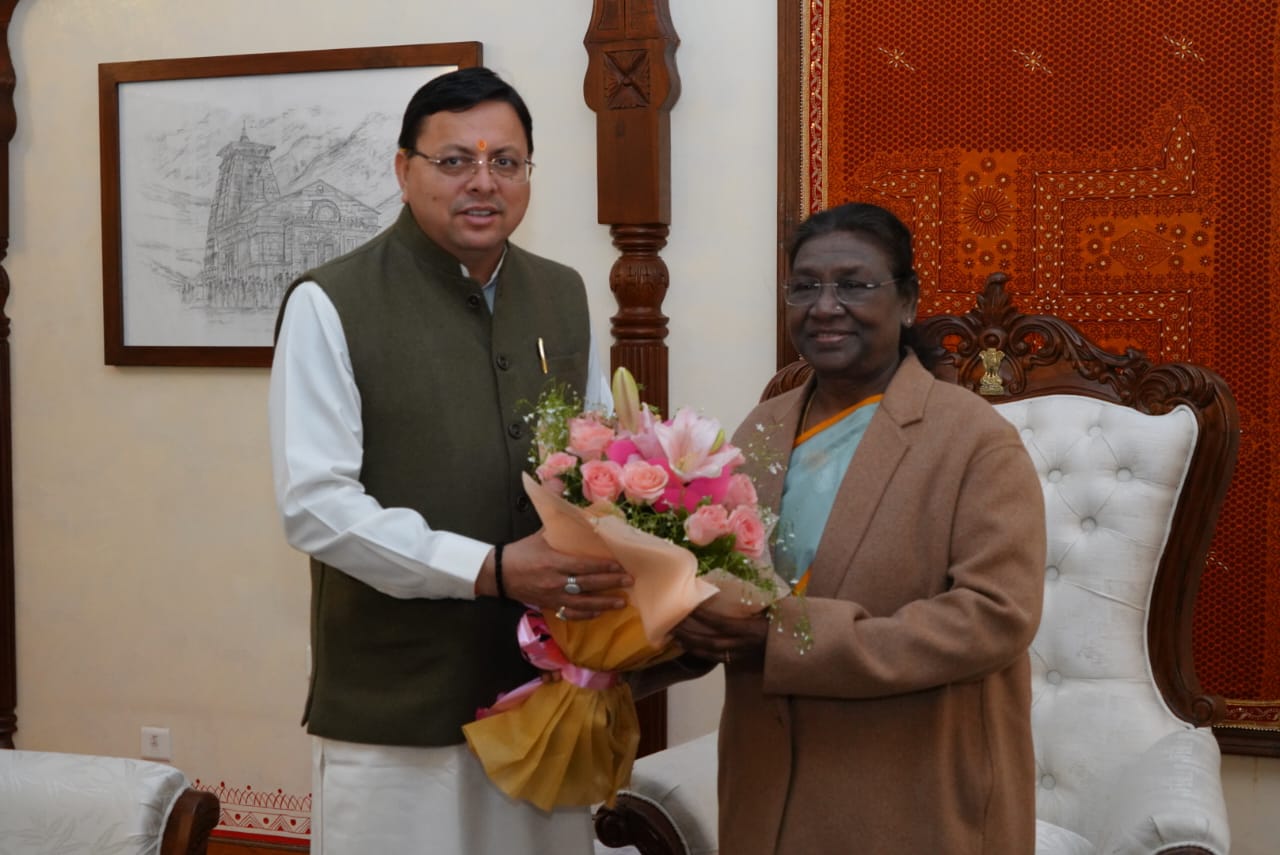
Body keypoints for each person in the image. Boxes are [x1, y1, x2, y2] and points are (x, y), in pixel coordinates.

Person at [269, 66, 631, 855]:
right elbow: (315, 505)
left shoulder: (563, 294)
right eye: (455, 160)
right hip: (398, 707)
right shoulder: (331, 301)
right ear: (404, 170)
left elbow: (601, 461)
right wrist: (488, 569)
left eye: (506, 161)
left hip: (545, 697)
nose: (483, 182)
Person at [670, 202, 1046, 854]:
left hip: (910, 792)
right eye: (804, 286)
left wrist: (785, 638)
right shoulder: (763, 428)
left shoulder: (975, 439)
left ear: (908, 301)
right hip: (766, 784)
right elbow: (724, 582)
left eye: (853, 284)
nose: (825, 306)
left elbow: (996, 617)